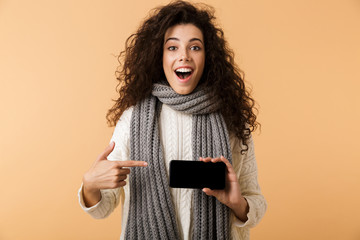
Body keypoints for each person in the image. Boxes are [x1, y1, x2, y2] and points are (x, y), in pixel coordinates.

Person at [78, 1, 267, 239]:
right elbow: (103, 208)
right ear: (159, 55)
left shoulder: (230, 121)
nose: (184, 56)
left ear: (208, 57)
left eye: (195, 47)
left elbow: (256, 203)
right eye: (172, 48)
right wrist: (90, 184)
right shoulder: (133, 119)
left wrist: (238, 203)